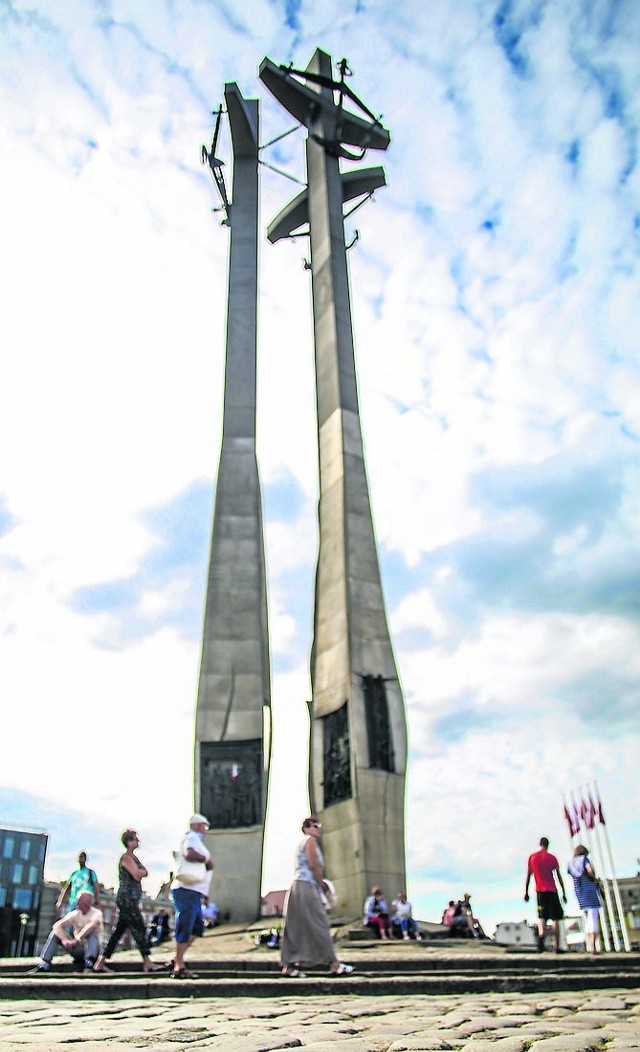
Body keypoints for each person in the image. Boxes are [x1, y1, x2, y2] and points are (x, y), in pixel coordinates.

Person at [280, 815, 354, 977]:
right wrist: (322, 883)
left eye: (318, 825)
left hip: (297, 886)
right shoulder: (310, 841)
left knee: (295, 925)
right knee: (319, 922)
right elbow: (313, 865)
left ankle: (289, 965)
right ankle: (333, 964)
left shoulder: (305, 843)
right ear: (306, 829)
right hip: (306, 885)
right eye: (313, 825)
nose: (317, 828)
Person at [93, 830, 164, 974]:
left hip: (131, 899)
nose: (137, 841)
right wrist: (141, 871)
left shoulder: (134, 858)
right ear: (128, 841)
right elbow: (138, 874)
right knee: (139, 927)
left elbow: (145, 871)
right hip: (127, 899)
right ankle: (147, 962)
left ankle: (100, 963)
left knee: (118, 931)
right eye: (135, 839)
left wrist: (142, 871)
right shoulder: (126, 858)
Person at [170, 813, 214, 979]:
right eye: (204, 826)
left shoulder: (196, 839)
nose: (205, 830)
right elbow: (188, 853)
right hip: (186, 889)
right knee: (186, 925)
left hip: (194, 891)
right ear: (197, 825)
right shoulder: (192, 837)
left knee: (197, 928)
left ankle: (176, 959)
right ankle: (179, 966)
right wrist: (205, 859)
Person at [29, 890, 103, 974]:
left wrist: (77, 938)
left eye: (79, 900)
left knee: (92, 933)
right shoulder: (74, 914)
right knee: (55, 933)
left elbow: (92, 925)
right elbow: (57, 925)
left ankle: (89, 965)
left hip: (93, 950)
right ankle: (45, 964)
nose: (77, 902)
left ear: (87, 902)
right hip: (78, 948)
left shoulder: (96, 913)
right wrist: (64, 940)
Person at [524, 836, 567, 952]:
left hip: (540, 891)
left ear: (540, 844)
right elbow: (558, 876)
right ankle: (556, 946)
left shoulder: (532, 858)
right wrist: (563, 891)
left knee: (542, 917)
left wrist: (526, 892)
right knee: (555, 918)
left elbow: (528, 875)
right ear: (548, 845)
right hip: (552, 890)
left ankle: (541, 936)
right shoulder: (552, 858)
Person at [568, 844, 603, 955]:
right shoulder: (584, 859)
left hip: (580, 892)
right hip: (590, 891)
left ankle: (589, 945)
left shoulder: (571, 863)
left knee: (587, 920)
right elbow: (590, 870)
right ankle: (592, 946)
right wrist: (594, 878)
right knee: (593, 919)